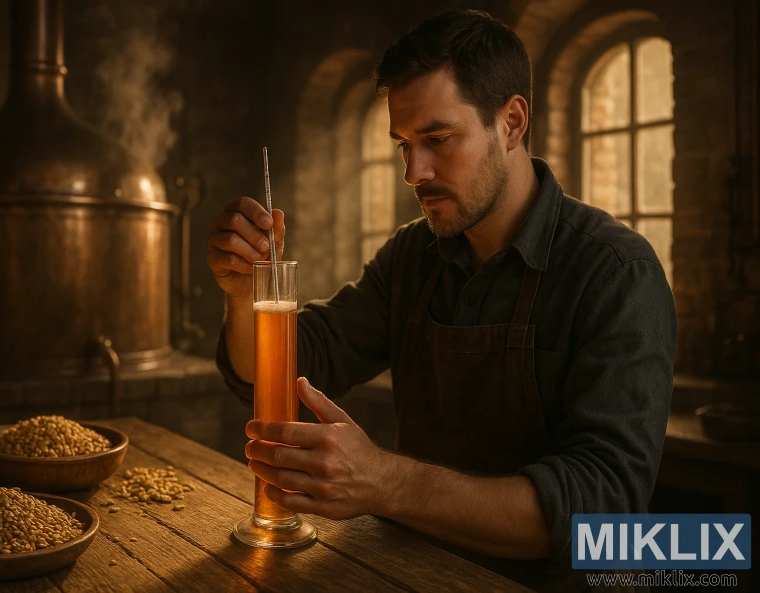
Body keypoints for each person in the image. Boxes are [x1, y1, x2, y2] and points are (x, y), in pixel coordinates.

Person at [206, 9, 676, 592]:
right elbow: (291, 365)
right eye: (403, 144)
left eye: (436, 139)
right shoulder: (413, 256)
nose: (413, 172)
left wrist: (384, 481)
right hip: (406, 574)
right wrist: (243, 295)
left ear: (510, 123)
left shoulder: (616, 273)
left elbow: (602, 514)